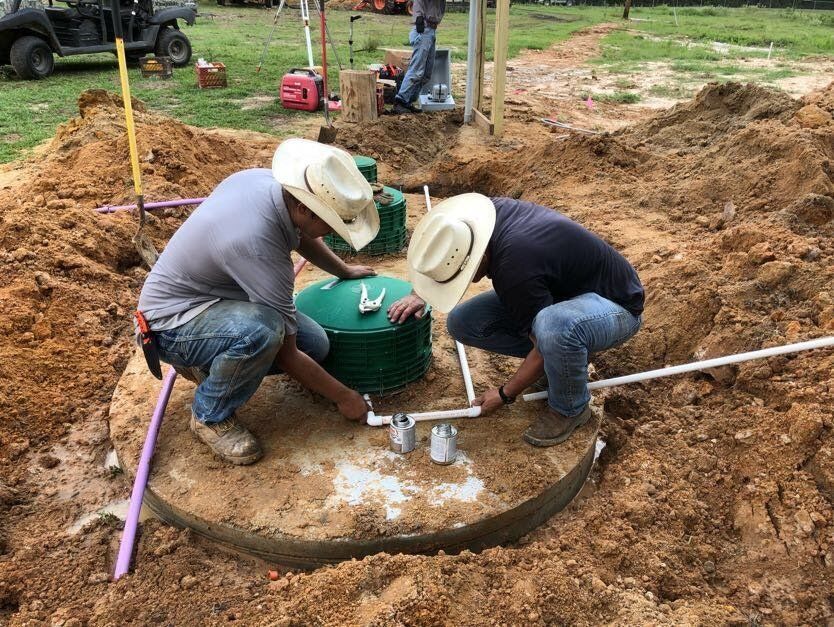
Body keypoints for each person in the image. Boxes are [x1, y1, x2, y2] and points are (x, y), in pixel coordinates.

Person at [135, 139, 380, 465]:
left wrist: (343, 270)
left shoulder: (268, 186)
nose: (333, 232)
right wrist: (344, 398)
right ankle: (209, 415)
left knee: (316, 346)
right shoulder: (256, 244)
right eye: (331, 223)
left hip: (213, 300)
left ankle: (211, 364)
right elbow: (287, 355)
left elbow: (304, 235)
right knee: (263, 332)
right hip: (171, 325)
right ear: (306, 208)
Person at [388, 194, 644, 446]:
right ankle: (564, 360)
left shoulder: (514, 268)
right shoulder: (484, 218)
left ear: (478, 257)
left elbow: (545, 335)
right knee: (463, 322)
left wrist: (504, 394)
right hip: (563, 295)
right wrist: (420, 292)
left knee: (555, 327)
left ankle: (570, 408)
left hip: (614, 306)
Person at [392, 0, 447, 114]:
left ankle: (408, 102)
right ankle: (400, 101)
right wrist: (419, 19)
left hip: (431, 30)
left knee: (426, 73)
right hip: (424, 30)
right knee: (417, 70)